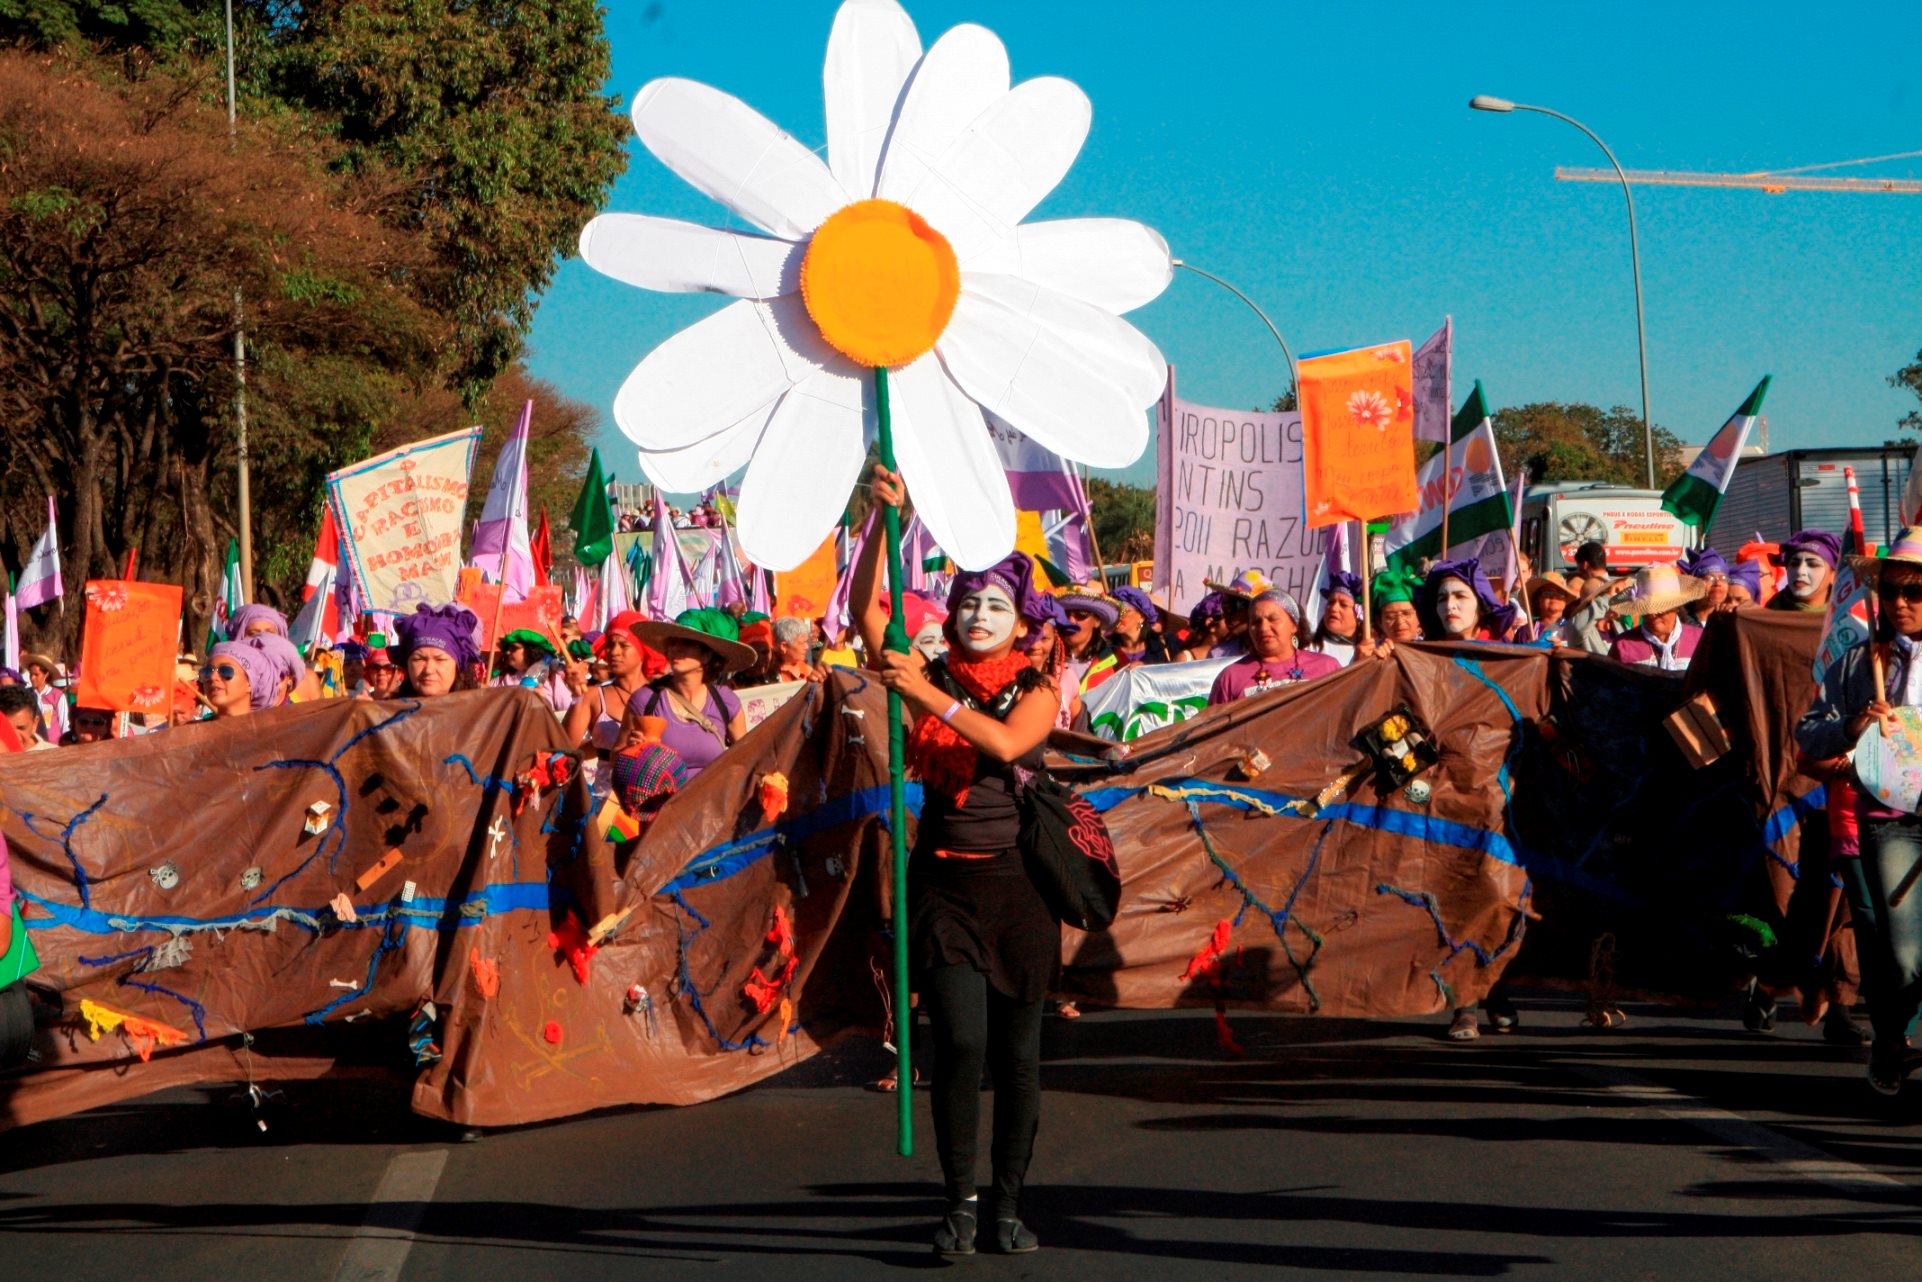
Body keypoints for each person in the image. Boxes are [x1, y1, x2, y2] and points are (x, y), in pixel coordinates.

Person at [854, 462, 1060, 1257]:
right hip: (940, 887)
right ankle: (960, 1205)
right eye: (969, 601)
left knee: (1017, 1056)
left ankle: (1008, 1205)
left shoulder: (1037, 687)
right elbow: (865, 616)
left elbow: (1007, 743)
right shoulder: (926, 668)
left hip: (1021, 891)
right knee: (962, 1044)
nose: (979, 614)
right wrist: (881, 520)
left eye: (996, 605)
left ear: (1020, 622)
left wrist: (927, 697)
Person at [1795, 526, 1922, 1095]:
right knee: (1902, 949)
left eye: (1915, 592)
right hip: (1889, 824)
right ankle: (1892, 1039)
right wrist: (1852, 726)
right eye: (1893, 590)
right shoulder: (1856, 663)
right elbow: (1808, 732)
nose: (1900, 602)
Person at [629, 608, 754, 780]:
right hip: (661, 805)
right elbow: (617, 760)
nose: (676, 648)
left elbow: (746, 759)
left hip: (713, 804)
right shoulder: (645, 699)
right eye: (673, 642)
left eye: (686, 643)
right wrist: (632, 751)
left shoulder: (725, 701)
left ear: (708, 654)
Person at [1206, 589, 1342, 705]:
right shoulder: (1230, 677)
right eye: (1256, 622)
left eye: (1272, 619)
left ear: (1294, 625)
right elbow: (1214, 730)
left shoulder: (1327, 667)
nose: (1263, 628)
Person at [562, 610, 664, 762]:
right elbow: (565, 748)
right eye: (610, 645)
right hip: (605, 785)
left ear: (642, 650)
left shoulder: (662, 695)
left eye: (624, 645)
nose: (614, 652)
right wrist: (577, 697)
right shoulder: (593, 695)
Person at [1607, 565, 1706, 671]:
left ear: (1676, 606)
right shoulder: (1623, 645)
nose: (1653, 614)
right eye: (1647, 609)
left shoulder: (1699, 639)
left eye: (1660, 608)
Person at [1417, 558, 1518, 644]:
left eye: (1460, 596)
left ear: (1481, 605)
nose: (1449, 605)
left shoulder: (1503, 655)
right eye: (1442, 599)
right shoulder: (1424, 654)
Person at [393, 604, 483, 698]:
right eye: (419, 659)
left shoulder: (479, 711)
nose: (428, 670)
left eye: (439, 659)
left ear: (457, 666)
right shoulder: (387, 711)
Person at [491, 629, 578, 715]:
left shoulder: (552, 680)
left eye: (514, 648)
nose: (507, 652)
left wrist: (544, 705)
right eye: (508, 648)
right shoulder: (500, 679)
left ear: (530, 651)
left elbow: (568, 713)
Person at [1056, 585, 1120, 696]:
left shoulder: (1116, 662)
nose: (1071, 621)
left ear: (1096, 621)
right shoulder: (1047, 659)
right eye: (1066, 614)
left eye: (1080, 615)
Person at [204, 639, 283, 718]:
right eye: (207, 671)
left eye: (225, 671)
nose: (213, 677)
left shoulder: (273, 729)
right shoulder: (195, 729)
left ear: (249, 683)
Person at [1769, 530, 1841, 613]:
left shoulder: (1849, 618)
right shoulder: (1766, 617)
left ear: (1834, 576)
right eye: (1794, 564)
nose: (1800, 571)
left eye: (1813, 565)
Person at [1307, 571, 1363, 667]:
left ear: (1360, 614)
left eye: (1343, 605)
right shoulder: (1308, 647)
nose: (1333, 608)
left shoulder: (1369, 650)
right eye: (1331, 602)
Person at [1110, 586, 1170, 666]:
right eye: (1114, 611)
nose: (1119, 616)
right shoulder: (1105, 649)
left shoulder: (1165, 644)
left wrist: (1145, 667)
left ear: (1142, 616)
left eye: (1125, 611)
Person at [22, 652, 68, 744]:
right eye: (31, 674)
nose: (32, 678)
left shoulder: (57, 696)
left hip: (53, 744)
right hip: (34, 744)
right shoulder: (26, 695)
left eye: (36, 674)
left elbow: (64, 723)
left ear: (46, 674)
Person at [1522, 573, 1578, 646]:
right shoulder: (1526, 631)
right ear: (1537, 599)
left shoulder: (1575, 629)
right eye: (1548, 593)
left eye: (1560, 593)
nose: (1554, 596)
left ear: (1566, 600)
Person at [1371, 567, 1424, 644]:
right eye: (1390, 616)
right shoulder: (1372, 653)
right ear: (1379, 621)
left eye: (1406, 614)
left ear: (1419, 616)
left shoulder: (1433, 652)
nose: (1399, 622)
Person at [1680, 548, 1733, 623]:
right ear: (1695, 584)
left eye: (1723, 578)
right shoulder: (1681, 622)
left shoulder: (1732, 620)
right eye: (1709, 578)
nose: (1717, 583)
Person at [0, 687, 55, 751]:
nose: (14, 735)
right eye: (7, 728)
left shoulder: (55, 754)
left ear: (34, 724)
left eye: (21, 728)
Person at [1177, 592, 1227, 661]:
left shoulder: (1231, 656)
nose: (1231, 621)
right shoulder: (1185, 659)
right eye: (1226, 618)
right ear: (1210, 622)